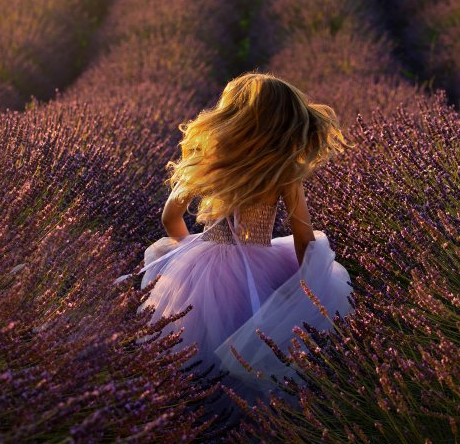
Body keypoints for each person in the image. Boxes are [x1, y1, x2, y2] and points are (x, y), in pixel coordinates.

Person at [124, 72, 354, 410]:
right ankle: (251, 433)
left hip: (203, 263)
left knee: (190, 346)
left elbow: (169, 218)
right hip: (262, 262)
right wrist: (307, 284)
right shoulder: (283, 170)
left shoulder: (210, 161)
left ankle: (193, 421)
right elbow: (304, 237)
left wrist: (187, 250)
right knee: (254, 351)